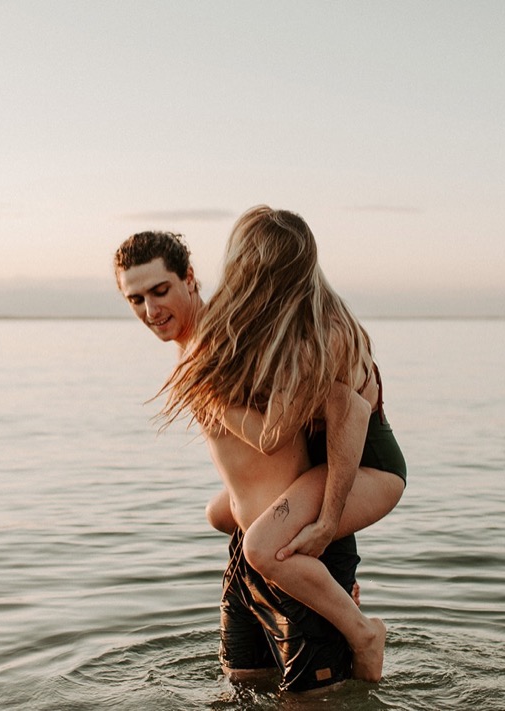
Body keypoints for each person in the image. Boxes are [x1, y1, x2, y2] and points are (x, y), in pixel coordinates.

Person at [114, 230, 380, 692]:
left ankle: (360, 630)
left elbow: (281, 433)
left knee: (316, 703)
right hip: (247, 551)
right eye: (135, 299)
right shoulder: (190, 352)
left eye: (160, 291)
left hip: (289, 548)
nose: (150, 310)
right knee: (242, 686)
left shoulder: (233, 340)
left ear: (189, 279)